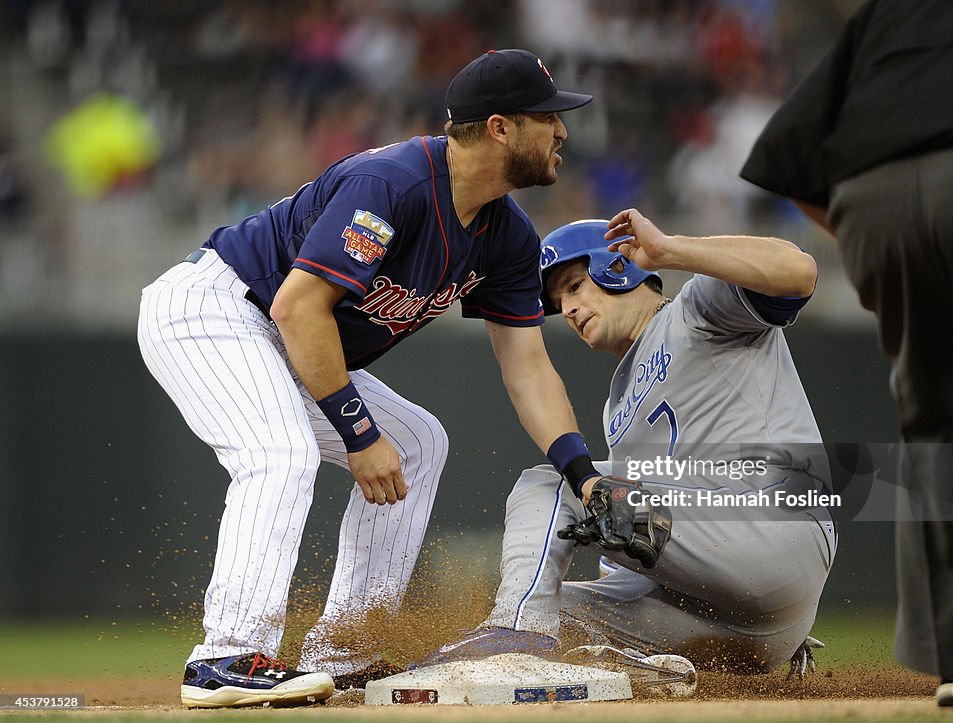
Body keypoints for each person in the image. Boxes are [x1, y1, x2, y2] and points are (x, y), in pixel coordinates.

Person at [137, 48, 604, 709]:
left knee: (419, 440)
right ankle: (225, 656)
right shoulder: (393, 184)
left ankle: (344, 653)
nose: (562, 131)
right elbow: (297, 307)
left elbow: (527, 365)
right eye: (548, 117)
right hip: (217, 306)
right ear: (500, 127)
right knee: (281, 454)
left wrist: (582, 472)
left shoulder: (508, 237)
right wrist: (358, 434)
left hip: (288, 334)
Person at [739, 0, 953, 710]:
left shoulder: (892, 14)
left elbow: (788, 158)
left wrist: (881, 238)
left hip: (872, 200)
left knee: (937, 426)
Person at [420, 212, 837, 677]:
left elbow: (799, 271)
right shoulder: (617, 406)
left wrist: (670, 250)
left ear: (617, 267)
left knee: (556, 483)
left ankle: (516, 635)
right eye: (560, 300)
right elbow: (636, 539)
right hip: (741, 623)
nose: (569, 308)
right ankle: (651, 672)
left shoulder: (695, 310)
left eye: (575, 286)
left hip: (772, 528)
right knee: (561, 612)